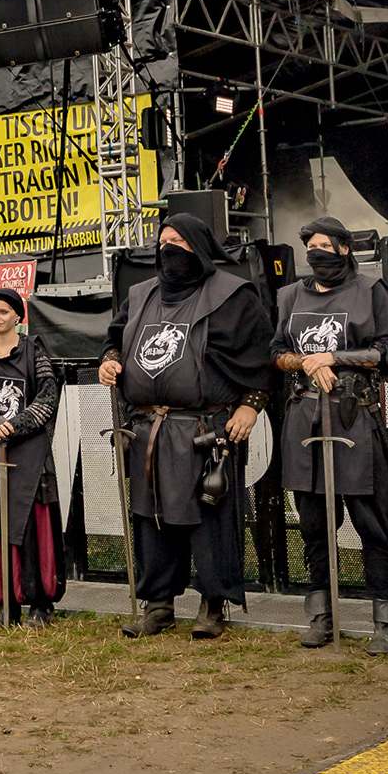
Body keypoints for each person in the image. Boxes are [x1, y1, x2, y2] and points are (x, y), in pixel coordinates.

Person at [99, 215, 273, 640]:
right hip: (150, 429)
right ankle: (158, 605)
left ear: (199, 245)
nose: (168, 249)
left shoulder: (232, 295)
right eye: (163, 241)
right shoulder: (140, 295)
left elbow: (261, 354)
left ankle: (213, 605)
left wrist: (251, 405)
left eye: (178, 241)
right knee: (150, 518)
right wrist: (110, 359)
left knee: (208, 520)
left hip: (206, 429)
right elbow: (115, 336)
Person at [272, 217, 388, 655]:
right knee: (313, 524)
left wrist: (334, 356)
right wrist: (304, 363)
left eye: (325, 244)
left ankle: (385, 620)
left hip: (355, 416)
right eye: (310, 245)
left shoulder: (370, 291)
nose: (316, 252)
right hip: (303, 417)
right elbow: (276, 353)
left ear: (345, 249)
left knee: (373, 524)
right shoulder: (289, 295)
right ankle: (321, 614)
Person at [0, 287, 64, 627]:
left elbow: (48, 398)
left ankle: (39, 602)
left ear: (18, 316)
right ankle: (7, 603)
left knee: (32, 527)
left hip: (29, 454)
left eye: (4, 312)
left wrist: (14, 426)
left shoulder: (34, 350)